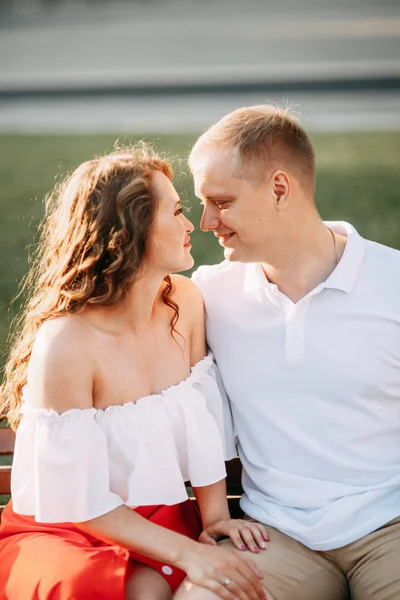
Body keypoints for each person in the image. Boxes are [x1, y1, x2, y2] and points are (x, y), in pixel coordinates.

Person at [0, 144, 273, 600]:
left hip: (158, 517)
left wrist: (216, 522)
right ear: (131, 230)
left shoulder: (183, 303)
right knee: (138, 591)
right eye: (178, 211)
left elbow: (201, 426)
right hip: (63, 526)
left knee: (205, 584)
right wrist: (192, 556)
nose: (192, 225)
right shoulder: (66, 343)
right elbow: (77, 501)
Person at [181, 105, 400, 600]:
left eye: (221, 201)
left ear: (280, 189)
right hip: (272, 537)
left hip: (391, 525)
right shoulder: (210, 293)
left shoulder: (394, 284)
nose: (206, 220)